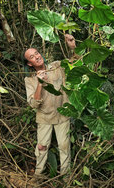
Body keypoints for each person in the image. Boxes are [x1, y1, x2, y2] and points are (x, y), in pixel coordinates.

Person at [24, 34, 76, 176]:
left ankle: (66, 178)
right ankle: (38, 176)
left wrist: (72, 48)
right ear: (30, 63)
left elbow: (74, 62)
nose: (36, 57)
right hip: (44, 118)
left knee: (65, 147)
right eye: (32, 57)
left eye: (37, 53)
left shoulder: (56, 67)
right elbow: (33, 104)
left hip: (62, 114)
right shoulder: (29, 80)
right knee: (41, 148)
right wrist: (40, 84)